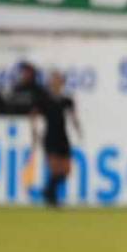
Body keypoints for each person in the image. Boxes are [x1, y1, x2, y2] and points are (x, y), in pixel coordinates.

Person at [32, 70, 82, 207]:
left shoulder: (66, 100)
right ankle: (51, 197)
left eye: (58, 80)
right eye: (54, 80)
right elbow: (33, 115)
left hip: (63, 136)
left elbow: (73, 117)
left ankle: (48, 191)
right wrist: (35, 132)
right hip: (50, 136)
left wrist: (78, 129)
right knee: (55, 168)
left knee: (66, 170)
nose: (56, 83)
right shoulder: (44, 100)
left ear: (62, 83)